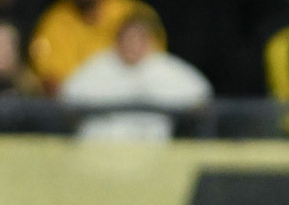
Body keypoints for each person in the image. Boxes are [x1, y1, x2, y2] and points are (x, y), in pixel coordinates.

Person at [60, 9, 211, 139]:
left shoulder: (164, 67)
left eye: (138, 39)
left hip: (150, 156)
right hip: (100, 153)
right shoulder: (99, 66)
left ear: (150, 42)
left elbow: (200, 95)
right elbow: (68, 96)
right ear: (117, 41)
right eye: (127, 38)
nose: (132, 44)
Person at [27, 0, 159, 91]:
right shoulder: (53, 20)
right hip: (78, 105)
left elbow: (157, 67)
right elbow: (50, 78)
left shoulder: (135, 12)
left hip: (135, 99)